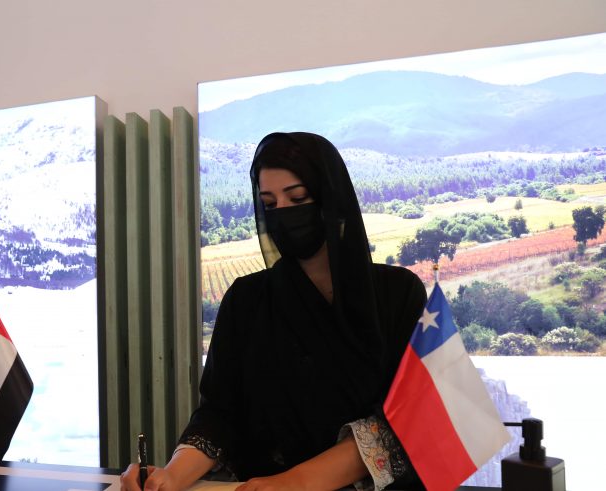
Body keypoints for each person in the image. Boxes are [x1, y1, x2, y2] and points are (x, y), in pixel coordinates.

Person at [121, 132, 427, 491]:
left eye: (297, 198)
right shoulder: (246, 300)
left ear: (332, 199)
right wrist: (171, 474)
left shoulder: (398, 294)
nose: (283, 213)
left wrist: (295, 482)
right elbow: (219, 413)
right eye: (269, 203)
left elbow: (407, 418)